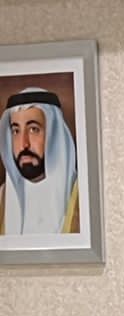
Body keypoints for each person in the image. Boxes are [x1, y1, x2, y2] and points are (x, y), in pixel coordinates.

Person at [1, 87, 79, 235]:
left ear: (54, 135)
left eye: (33, 129)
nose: (23, 144)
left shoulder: (82, 199)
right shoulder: (1, 200)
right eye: (16, 131)